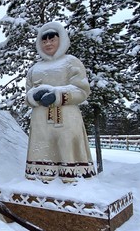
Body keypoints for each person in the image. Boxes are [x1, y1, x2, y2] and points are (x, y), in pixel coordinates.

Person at [24, 22, 96, 183]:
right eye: (44, 41)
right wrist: (34, 96)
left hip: (66, 118)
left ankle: (71, 181)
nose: (48, 44)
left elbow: (82, 90)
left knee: (66, 148)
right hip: (41, 120)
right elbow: (28, 92)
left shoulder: (71, 62)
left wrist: (57, 95)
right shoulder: (35, 68)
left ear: (61, 40)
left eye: (52, 40)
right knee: (42, 149)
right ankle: (41, 180)